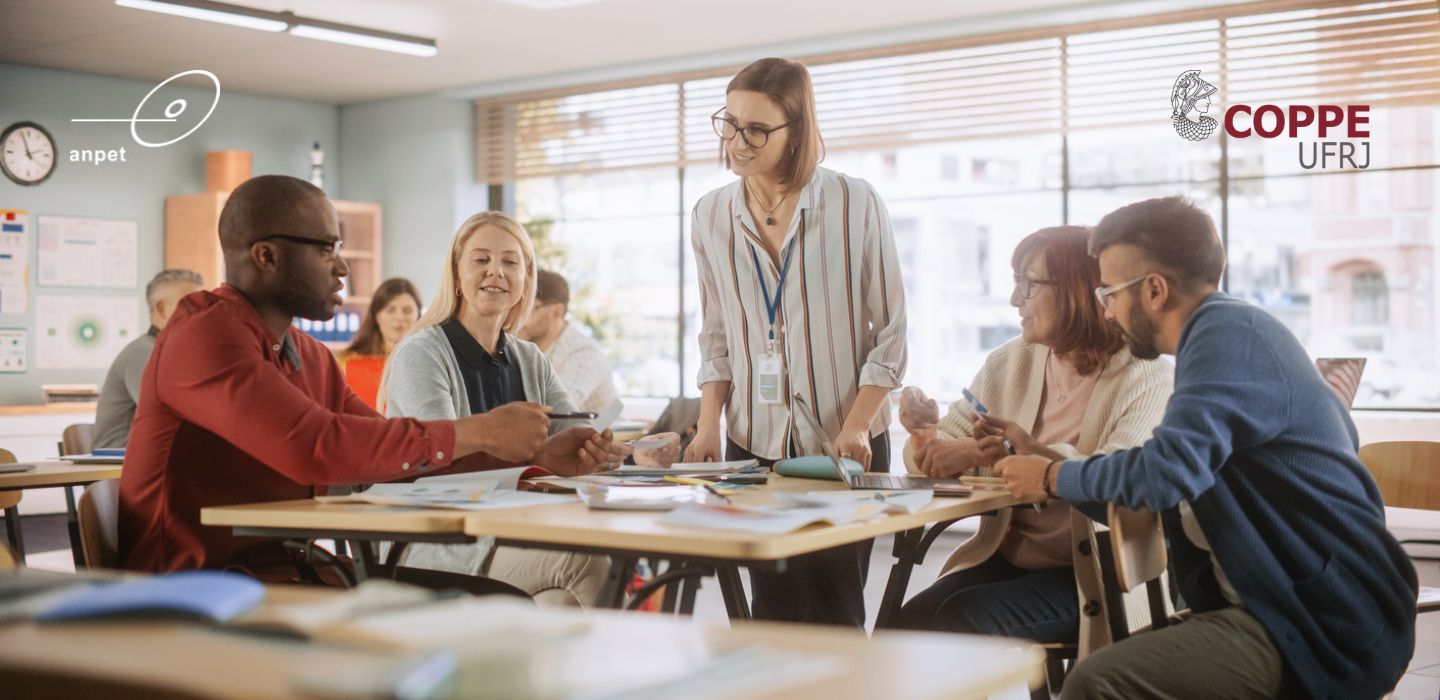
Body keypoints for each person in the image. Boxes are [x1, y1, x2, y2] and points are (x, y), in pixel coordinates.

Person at [994, 196, 1418, 699]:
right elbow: (1163, 472)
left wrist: (1049, 479)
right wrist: (1049, 461)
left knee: (1097, 680)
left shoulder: (1224, 336)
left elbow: (1165, 475)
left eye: (1108, 292)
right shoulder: (1228, 334)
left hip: (1321, 621)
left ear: (1153, 290)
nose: (1105, 311)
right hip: (1292, 603)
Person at [118, 176, 617, 577]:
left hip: (278, 565)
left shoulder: (307, 355)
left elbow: (388, 452)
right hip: (189, 582)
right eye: (325, 249)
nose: (341, 269)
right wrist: (484, 431)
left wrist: (536, 458)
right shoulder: (204, 334)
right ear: (266, 256)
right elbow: (314, 447)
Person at [685, 57, 907, 625]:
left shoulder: (854, 202)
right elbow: (716, 331)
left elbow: (891, 333)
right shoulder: (711, 214)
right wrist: (708, 423)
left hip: (842, 444)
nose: (737, 141)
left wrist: (857, 423)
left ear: (797, 132)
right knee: (771, 616)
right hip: (752, 441)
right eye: (729, 123)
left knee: (836, 613)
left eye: (757, 129)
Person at [892, 226, 1172, 655]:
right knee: (903, 626)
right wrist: (924, 434)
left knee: (959, 620)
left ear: (1078, 289)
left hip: (1096, 576)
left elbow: (1119, 477)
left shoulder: (1146, 374)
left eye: (1028, 284)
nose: (1013, 300)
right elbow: (936, 456)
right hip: (1009, 560)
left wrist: (1027, 455)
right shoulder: (1011, 361)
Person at [383, 211, 630, 606]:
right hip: (437, 541)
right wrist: (540, 459)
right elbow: (440, 459)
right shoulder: (421, 353)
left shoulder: (530, 358)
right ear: (457, 273)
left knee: (560, 602)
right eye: (481, 260)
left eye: (510, 262)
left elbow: (567, 436)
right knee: (589, 561)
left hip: (514, 529)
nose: (495, 272)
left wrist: (594, 451)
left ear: (525, 280)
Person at [93, 269, 204, 449]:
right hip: (119, 465)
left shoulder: (171, 353)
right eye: (191, 305)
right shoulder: (143, 353)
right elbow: (171, 415)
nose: (201, 314)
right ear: (161, 308)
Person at [516, 269, 620, 415]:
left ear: (557, 311)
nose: (519, 317)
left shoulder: (584, 353)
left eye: (530, 309)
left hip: (610, 435)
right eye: (517, 306)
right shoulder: (527, 349)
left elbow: (556, 412)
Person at [337, 277, 422, 410]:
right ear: (377, 315)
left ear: (418, 316)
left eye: (407, 310)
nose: (400, 317)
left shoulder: (428, 362)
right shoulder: (347, 362)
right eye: (390, 310)